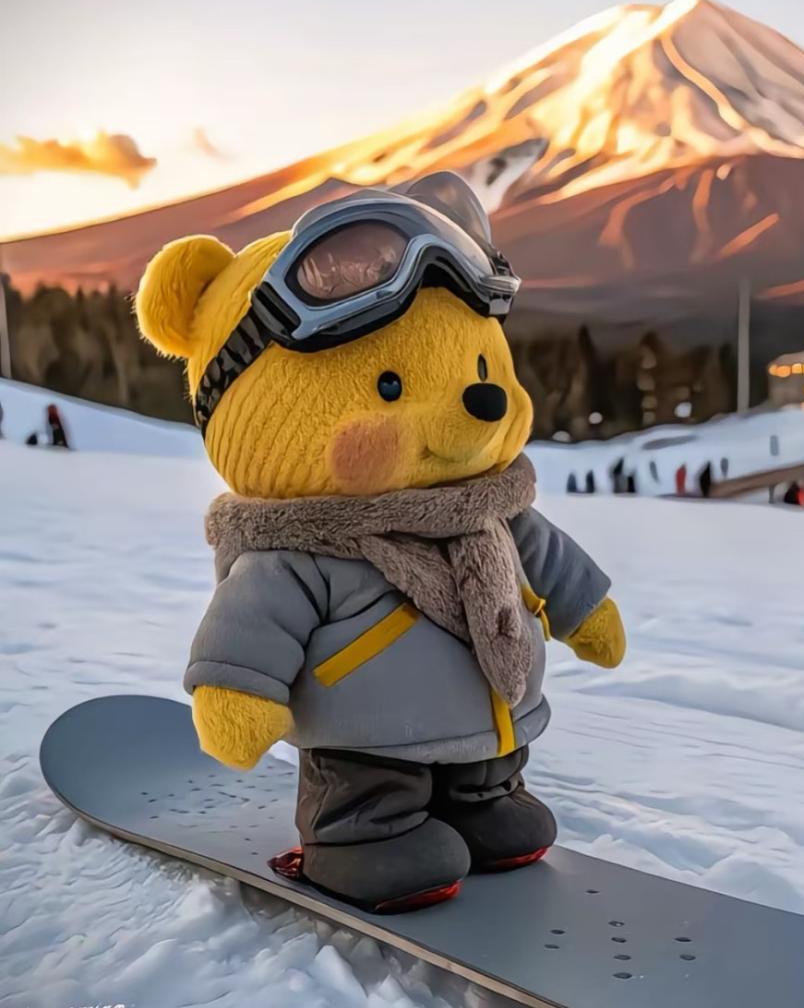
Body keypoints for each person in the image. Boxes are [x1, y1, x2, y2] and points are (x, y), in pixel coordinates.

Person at [133, 172, 628, 914]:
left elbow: (550, 562)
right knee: (370, 793)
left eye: (483, 370)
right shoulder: (301, 553)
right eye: (391, 386)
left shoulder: (489, 511)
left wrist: (588, 611)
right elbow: (251, 627)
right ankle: (361, 837)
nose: (483, 401)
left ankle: (482, 801)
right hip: (363, 745)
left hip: (493, 722)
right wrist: (236, 691)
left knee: (490, 775)